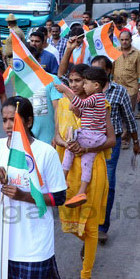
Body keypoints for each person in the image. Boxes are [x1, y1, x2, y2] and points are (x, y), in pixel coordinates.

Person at [0, 97, 68, 279]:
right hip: (3, 237)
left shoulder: (45, 153)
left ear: (29, 121)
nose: (8, 125)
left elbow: (59, 197)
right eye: (5, 120)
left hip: (33, 239)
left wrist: (25, 196)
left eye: (15, 120)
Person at [54, 66, 116, 279]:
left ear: (89, 83)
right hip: (69, 170)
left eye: (79, 81)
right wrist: (67, 144)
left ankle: (85, 276)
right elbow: (56, 136)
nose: (74, 85)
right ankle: (88, 241)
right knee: (68, 219)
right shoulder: (62, 104)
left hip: (93, 169)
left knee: (89, 227)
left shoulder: (100, 104)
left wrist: (86, 149)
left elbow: (111, 140)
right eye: (71, 81)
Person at [90, 56, 139, 243]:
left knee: (108, 184)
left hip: (111, 143)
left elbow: (129, 118)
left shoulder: (119, 91)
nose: (94, 75)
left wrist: (135, 141)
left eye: (99, 71)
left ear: (108, 71)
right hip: (89, 144)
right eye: (92, 71)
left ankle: (102, 226)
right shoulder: (86, 91)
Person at [55, 67, 108, 207]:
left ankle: (62, 178)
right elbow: (86, 115)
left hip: (90, 136)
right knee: (86, 164)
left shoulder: (95, 97)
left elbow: (80, 103)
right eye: (71, 81)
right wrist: (77, 112)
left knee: (69, 149)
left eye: (84, 83)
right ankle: (81, 192)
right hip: (96, 138)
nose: (82, 86)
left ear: (95, 85)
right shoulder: (97, 99)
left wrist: (66, 90)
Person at [112, 30, 140, 147]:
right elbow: (111, 69)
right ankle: (117, 136)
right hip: (116, 87)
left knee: (127, 114)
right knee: (117, 114)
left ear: (131, 40)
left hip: (131, 89)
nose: (124, 42)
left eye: (126, 39)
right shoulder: (115, 51)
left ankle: (126, 139)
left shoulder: (137, 53)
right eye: (122, 40)